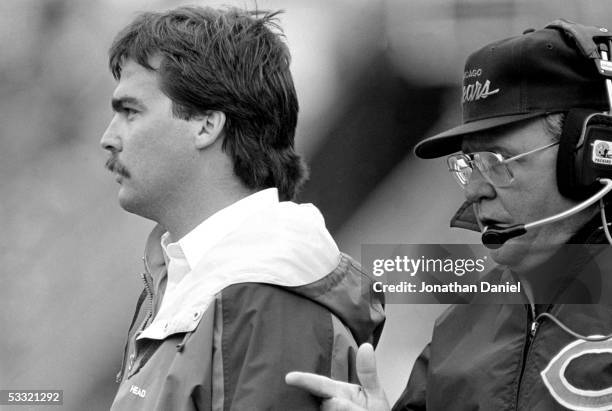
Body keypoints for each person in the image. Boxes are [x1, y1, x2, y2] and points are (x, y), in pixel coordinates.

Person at [287, 20, 612, 410]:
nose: (475, 190)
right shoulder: (461, 325)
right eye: (470, 164)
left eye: (499, 160)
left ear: (591, 152)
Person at [101, 6, 385, 411]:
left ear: (205, 125)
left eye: (130, 111)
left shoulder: (263, 296)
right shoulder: (192, 278)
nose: (108, 139)